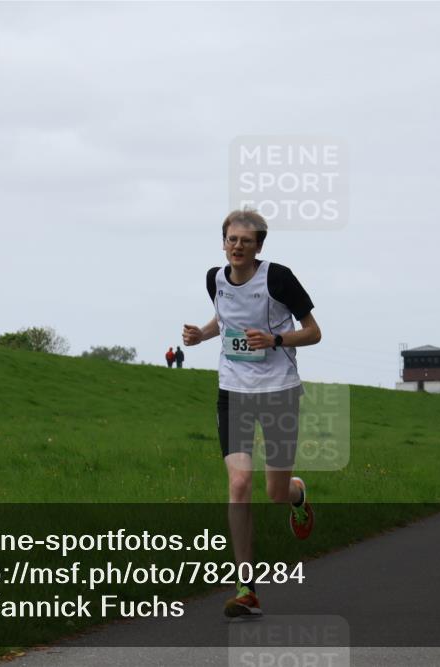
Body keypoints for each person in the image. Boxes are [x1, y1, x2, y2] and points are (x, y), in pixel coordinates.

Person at [182, 208, 321, 618]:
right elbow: (225, 321)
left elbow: (314, 332)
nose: (237, 246)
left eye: (246, 241)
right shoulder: (215, 279)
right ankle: (246, 588)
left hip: (278, 392)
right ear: (223, 243)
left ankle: (297, 494)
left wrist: (275, 339)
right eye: (232, 239)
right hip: (234, 392)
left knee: (275, 493)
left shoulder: (278, 278)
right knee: (240, 482)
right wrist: (202, 334)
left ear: (258, 245)